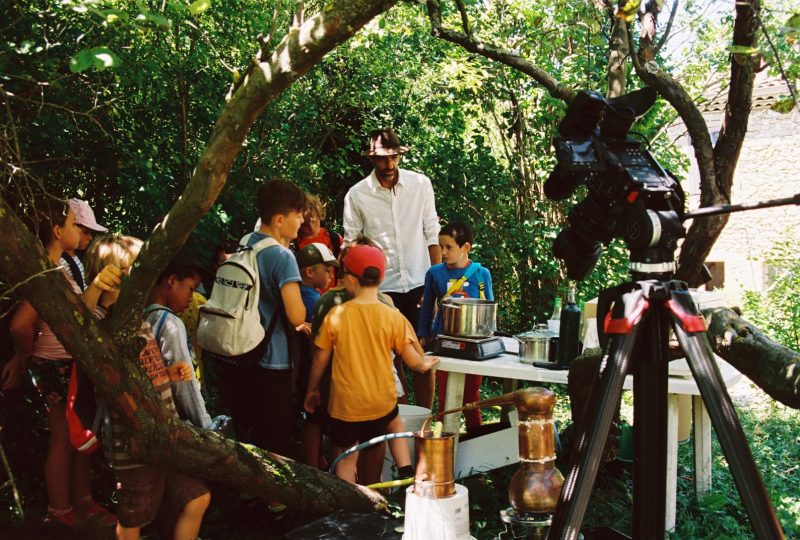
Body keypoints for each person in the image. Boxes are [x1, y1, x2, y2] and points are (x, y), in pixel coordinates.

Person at [82, 235, 210, 540]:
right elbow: (80, 322)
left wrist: (168, 374)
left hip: (165, 430)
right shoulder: (103, 320)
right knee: (133, 519)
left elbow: (138, 374)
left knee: (197, 497)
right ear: (120, 274)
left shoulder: (136, 317)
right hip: (134, 442)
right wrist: (97, 288)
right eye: (140, 270)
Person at [1, 197, 115, 528]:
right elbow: (21, 324)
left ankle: (82, 501)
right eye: (71, 223)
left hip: (67, 362)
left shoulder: (59, 267)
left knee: (78, 434)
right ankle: (60, 507)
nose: (79, 233)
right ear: (57, 230)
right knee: (63, 437)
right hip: (54, 365)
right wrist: (25, 356)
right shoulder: (45, 272)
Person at [304, 244, 438, 485]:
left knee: (347, 457)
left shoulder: (336, 314)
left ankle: (349, 502)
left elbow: (319, 359)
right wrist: (427, 362)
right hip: (381, 402)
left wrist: (312, 390)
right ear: (382, 277)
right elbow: (414, 362)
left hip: (345, 405)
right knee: (393, 422)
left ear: (350, 278)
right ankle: (406, 468)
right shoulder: (391, 315)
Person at [342, 128, 442, 409]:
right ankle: (397, 420)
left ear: (400, 156)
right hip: (381, 289)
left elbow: (431, 231)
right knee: (389, 362)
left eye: (394, 158)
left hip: (421, 283)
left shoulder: (420, 184)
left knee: (422, 356)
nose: (389, 165)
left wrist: (436, 284)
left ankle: (423, 420)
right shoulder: (357, 195)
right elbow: (352, 247)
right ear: (372, 160)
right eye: (383, 159)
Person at [216, 179, 307, 458]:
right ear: (280, 220)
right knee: (275, 434)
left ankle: (247, 493)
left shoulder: (245, 243)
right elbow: (296, 316)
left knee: (248, 429)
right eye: (298, 214)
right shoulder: (282, 257)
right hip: (273, 358)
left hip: (241, 352)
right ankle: (275, 500)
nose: (303, 220)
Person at [418, 220, 494, 432]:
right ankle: (444, 443)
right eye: (440, 246)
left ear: (466, 248)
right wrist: (423, 334)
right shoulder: (435, 273)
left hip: (473, 344)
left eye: (448, 247)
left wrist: (491, 336)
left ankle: (476, 441)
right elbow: (426, 308)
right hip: (445, 342)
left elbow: (489, 306)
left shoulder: (481, 274)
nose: (442, 252)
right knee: (446, 397)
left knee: (472, 398)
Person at [145, 252, 213, 429]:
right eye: (191, 288)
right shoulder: (169, 323)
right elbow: (185, 384)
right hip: (174, 421)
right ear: (172, 280)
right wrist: (205, 426)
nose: (191, 298)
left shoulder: (143, 316)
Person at [294, 242, 339, 469]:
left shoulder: (297, 294)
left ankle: (315, 461)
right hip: (312, 368)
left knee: (312, 418)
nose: (331, 275)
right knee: (316, 419)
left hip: (297, 366)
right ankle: (313, 465)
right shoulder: (314, 300)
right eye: (327, 270)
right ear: (310, 272)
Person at [293, 194, 342, 292]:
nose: (310, 227)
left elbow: (343, 271)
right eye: (305, 224)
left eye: (313, 221)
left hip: (332, 297)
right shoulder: (293, 243)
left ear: (319, 215)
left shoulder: (334, 239)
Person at [59, 198, 109, 291]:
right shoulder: (61, 263)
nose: (90, 238)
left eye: (91, 233)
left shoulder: (80, 257)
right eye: (85, 232)